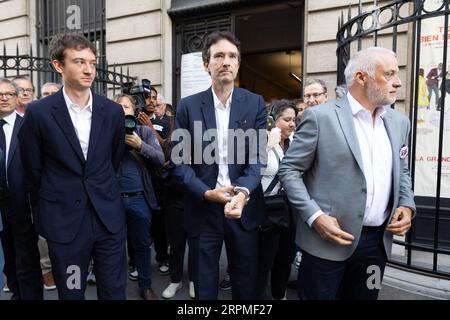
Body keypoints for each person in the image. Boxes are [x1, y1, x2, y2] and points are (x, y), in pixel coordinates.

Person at [279, 46, 416, 300]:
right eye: (389, 74)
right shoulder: (320, 117)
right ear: (361, 77)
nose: (398, 82)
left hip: (377, 245)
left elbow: (402, 171)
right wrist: (315, 217)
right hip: (325, 245)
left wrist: (407, 204)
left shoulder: (399, 123)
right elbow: (289, 170)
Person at [18, 33, 126, 300]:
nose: (89, 69)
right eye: (79, 62)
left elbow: (113, 161)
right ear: (58, 66)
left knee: (113, 291)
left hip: (107, 220)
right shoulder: (39, 113)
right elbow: (33, 169)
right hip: (65, 224)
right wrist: (44, 216)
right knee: (73, 291)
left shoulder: (112, 112)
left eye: (92, 61)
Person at [172, 31, 266, 300]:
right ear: (206, 64)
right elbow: (179, 164)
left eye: (232, 56)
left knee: (245, 282)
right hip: (203, 209)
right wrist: (205, 192)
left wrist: (243, 193)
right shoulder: (187, 107)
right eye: (219, 56)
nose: (226, 61)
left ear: (238, 64)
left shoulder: (255, 103)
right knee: (203, 284)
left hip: (243, 208)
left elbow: (257, 158)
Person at [115, 93, 164, 300]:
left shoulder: (143, 131)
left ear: (133, 111)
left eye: (126, 106)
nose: (122, 110)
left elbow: (160, 159)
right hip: (112, 200)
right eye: (117, 107)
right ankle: (114, 289)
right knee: (112, 247)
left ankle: (145, 286)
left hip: (139, 198)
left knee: (142, 245)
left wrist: (139, 144)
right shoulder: (105, 132)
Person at [0, 78, 43, 300]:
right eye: (0, 94)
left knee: (26, 260)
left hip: (22, 206)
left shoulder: (27, 126)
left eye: (9, 94)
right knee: (7, 262)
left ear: (17, 99)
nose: (4, 98)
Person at [256, 99, 297, 300]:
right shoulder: (261, 139)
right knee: (264, 263)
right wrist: (268, 143)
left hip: (288, 210)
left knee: (285, 258)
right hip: (267, 210)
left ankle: (280, 295)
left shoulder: (294, 143)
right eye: (287, 119)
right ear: (272, 119)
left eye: (294, 120)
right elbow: (250, 171)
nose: (292, 124)